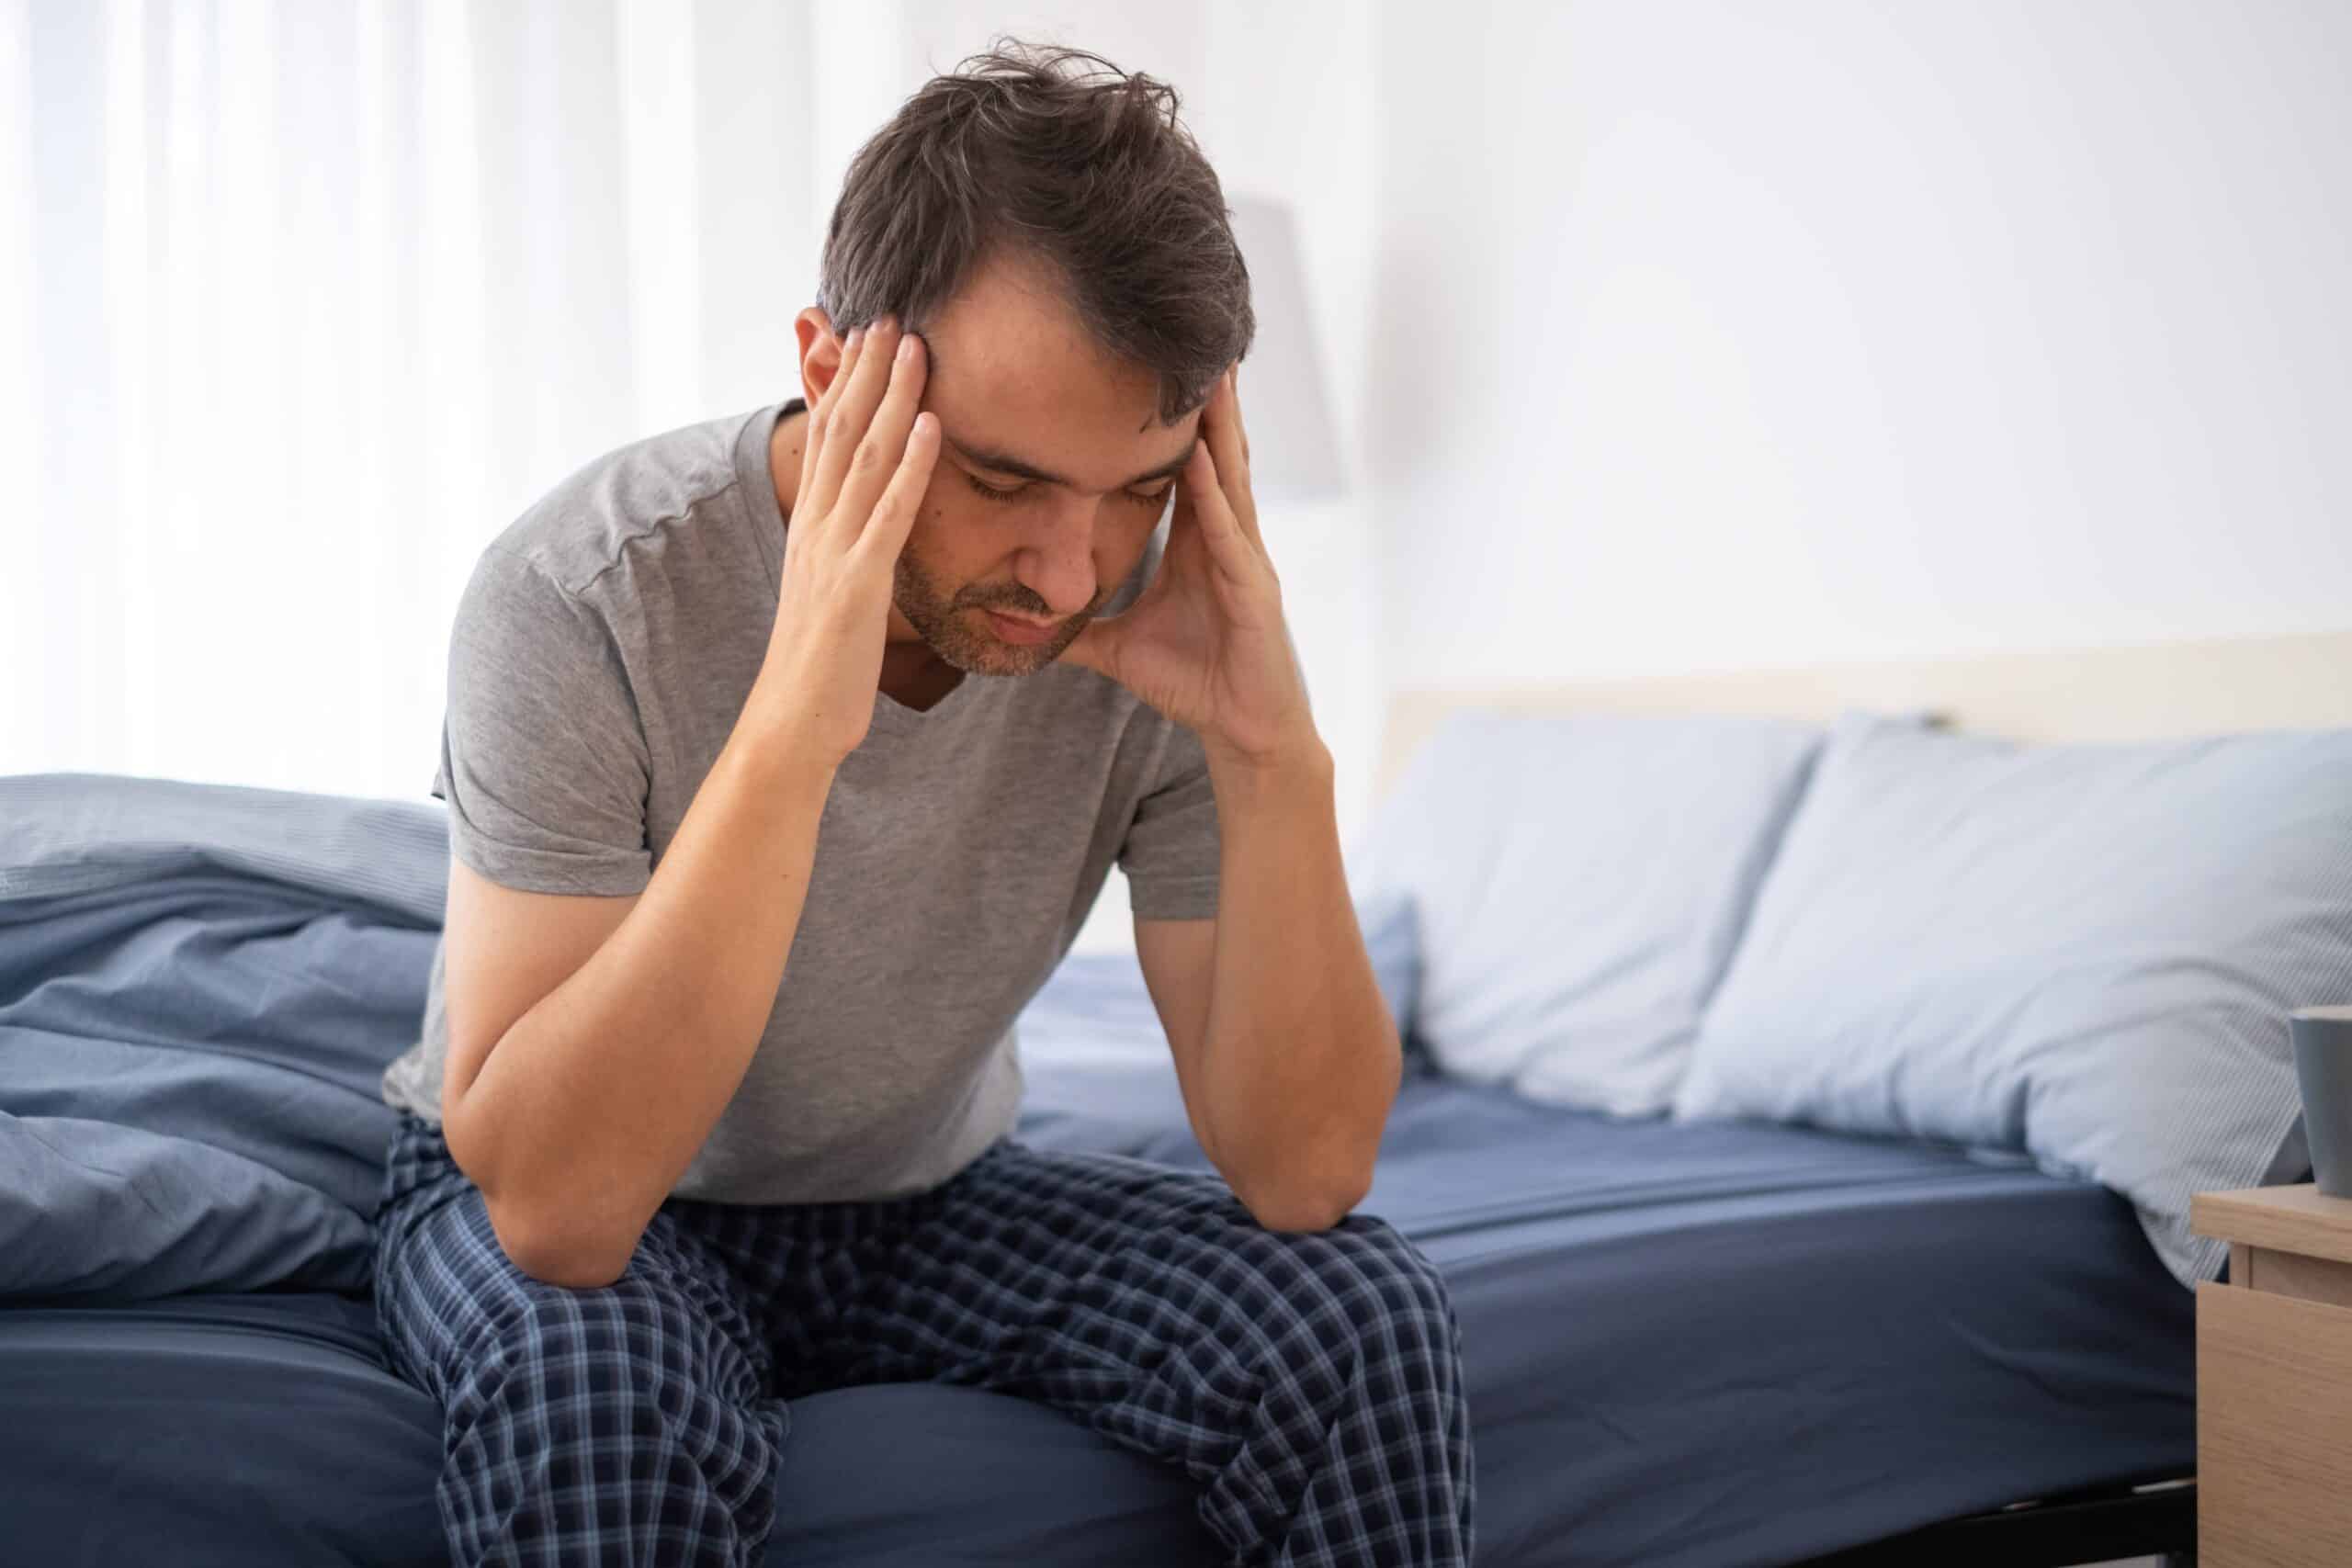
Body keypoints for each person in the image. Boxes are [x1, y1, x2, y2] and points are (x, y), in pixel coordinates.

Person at [372, 39, 1472, 1568]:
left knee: (1358, 1318)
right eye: (1007, 482)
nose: (1071, 575)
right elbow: (561, 1213)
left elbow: (1302, 1174)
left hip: (924, 1197)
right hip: (594, 1189)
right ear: (835, 372)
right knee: (592, 1389)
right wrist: (794, 731)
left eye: (1141, 486)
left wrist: (1275, 756)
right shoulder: (582, 595)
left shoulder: (1155, 619)